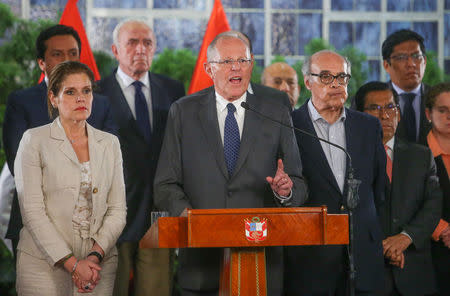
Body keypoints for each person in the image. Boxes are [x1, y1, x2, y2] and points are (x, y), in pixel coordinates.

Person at [154, 31, 308, 296]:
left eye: (243, 60)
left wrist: (286, 191)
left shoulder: (274, 109)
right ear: (208, 68)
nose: (236, 67)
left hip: (261, 261)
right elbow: (165, 184)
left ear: (250, 65)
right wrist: (193, 221)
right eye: (226, 61)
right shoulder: (184, 111)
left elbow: (299, 183)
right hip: (202, 263)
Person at [3, 24, 116, 259]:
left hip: (92, 227)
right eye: (57, 54)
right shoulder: (21, 102)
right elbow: (20, 163)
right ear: (41, 63)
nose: (66, 60)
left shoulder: (100, 103)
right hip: (34, 226)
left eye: (72, 54)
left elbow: (109, 162)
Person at [14, 61, 126, 295]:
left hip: (99, 264)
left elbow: (118, 210)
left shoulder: (109, 144)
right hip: (43, 264)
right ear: (53, 98)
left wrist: (94, 256)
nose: (81, 98)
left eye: (86, 91)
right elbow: (32, 212)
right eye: (70, 92)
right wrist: (73, 264)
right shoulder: (34, 140)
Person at [285, 50, 386, 295]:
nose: (336, 85)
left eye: (342, 77)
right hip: (311, 255)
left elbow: (380, 189)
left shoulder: (369, 126)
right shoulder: (289, 125)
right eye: (327, 77)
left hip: (364, 254)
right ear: (308, 82)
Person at [97, 19, 185, 296]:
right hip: (110, 215)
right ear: (115, 49)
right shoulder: (95, 93)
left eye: (147, 43)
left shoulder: (173, 90)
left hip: (158, 214)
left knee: (157, 290)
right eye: (132, 42)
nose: (140, 49)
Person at [354, 81, 441, 296]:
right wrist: (383, 247)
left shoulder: (421, 155)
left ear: (399, 113)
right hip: (369, 274)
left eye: (391, 107)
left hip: (415, 271)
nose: (384, 115)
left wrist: (405, 238)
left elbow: (433, 204)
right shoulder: (349, 158)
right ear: (359, 116)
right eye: (375, 108)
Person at [382, 29, 431, 144]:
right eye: (401, 58)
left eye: (416, 56)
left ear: (424, 61)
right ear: (386, 65)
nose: (411, 64)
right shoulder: (368, 101)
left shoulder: (440, 99)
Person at [425, 82, 450, 295]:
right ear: (428, 114)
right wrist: (442, 230)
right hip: (430, 252)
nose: (449, 116)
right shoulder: (415, 152)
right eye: (443, 110)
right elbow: (408, 203)